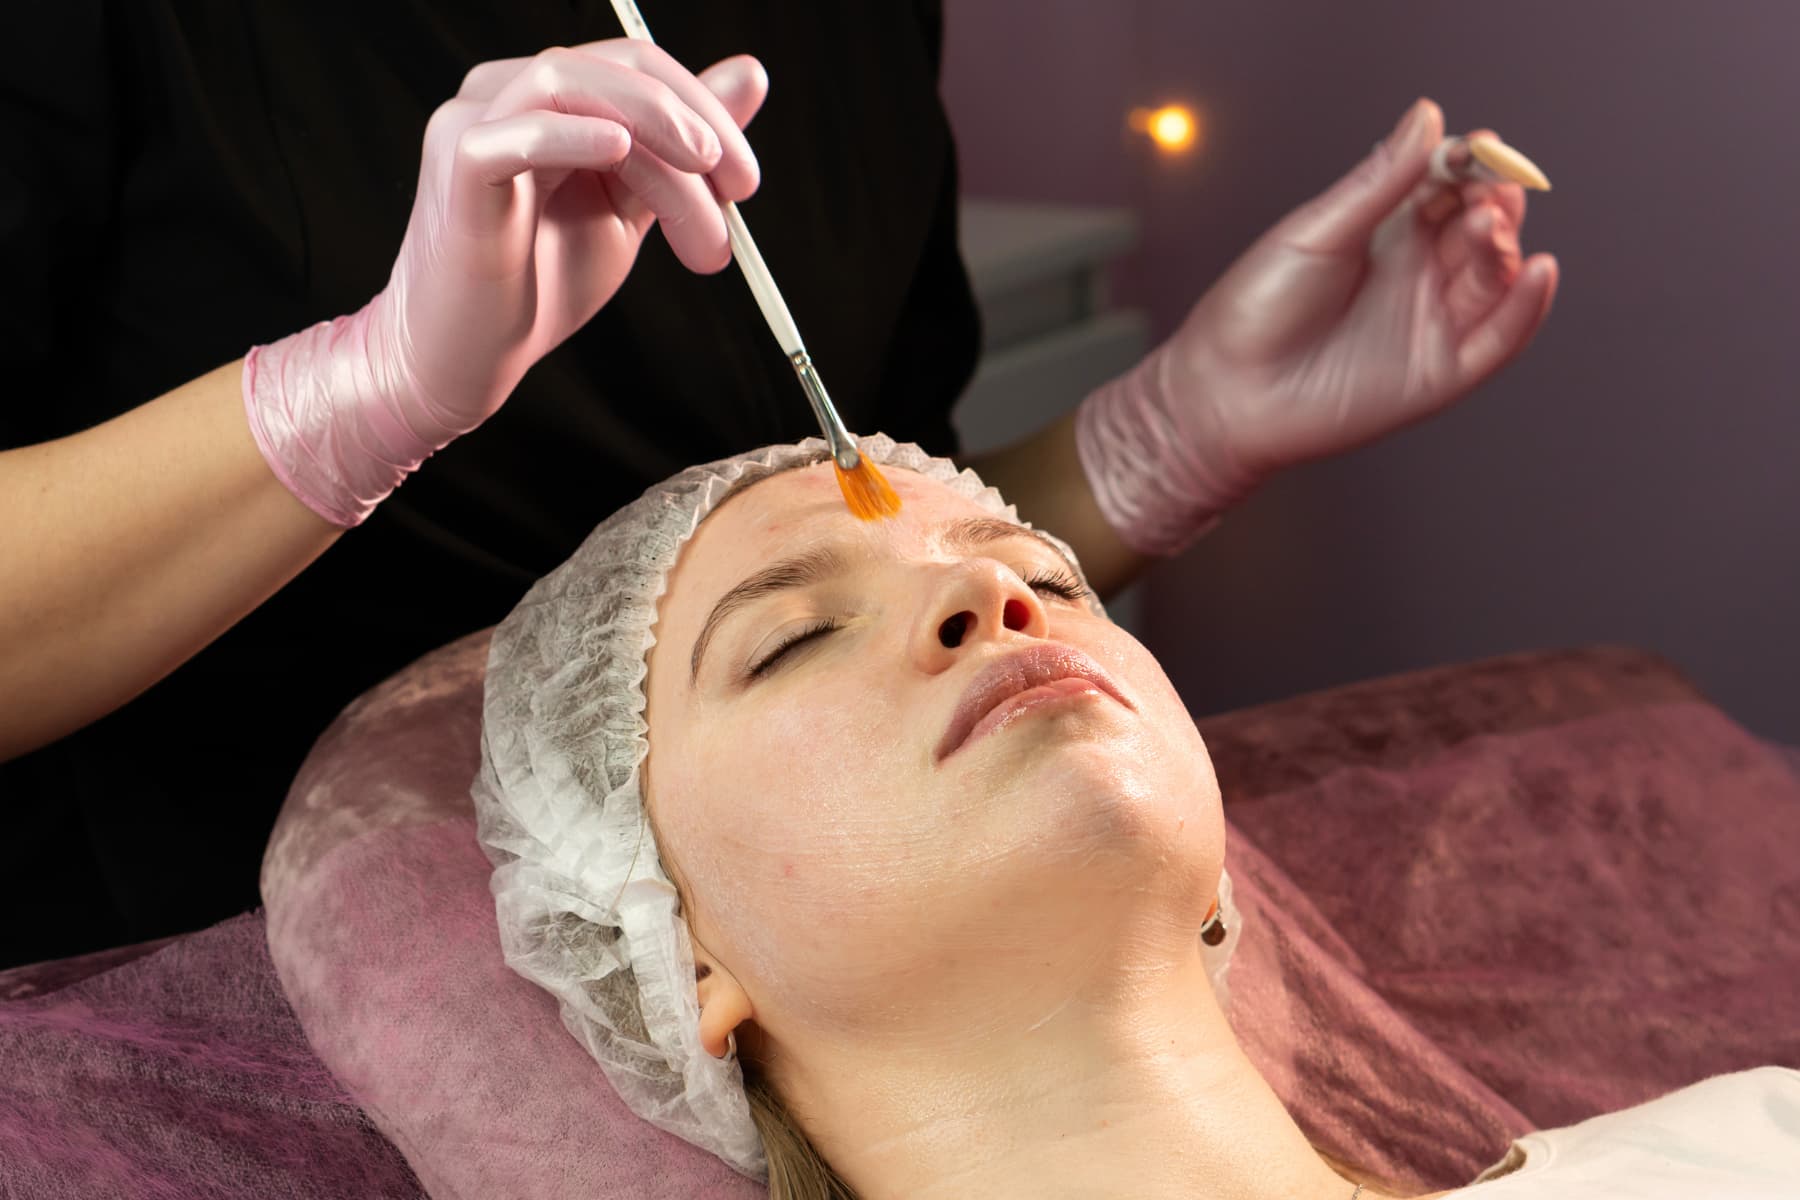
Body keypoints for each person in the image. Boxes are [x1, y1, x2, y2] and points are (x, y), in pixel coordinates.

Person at [0, 1, 1554, 968]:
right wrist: (361, 392)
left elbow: (880, 553)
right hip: (182, 950)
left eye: (1044, 592)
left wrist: (1171, 440)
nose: (1002, 604)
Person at [473, 436, 1795, 1200]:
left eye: (1045, 575)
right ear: (670, 952)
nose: (996, 602)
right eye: (793, 638)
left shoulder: (1749, 1145)